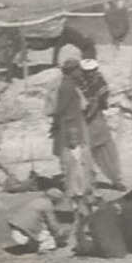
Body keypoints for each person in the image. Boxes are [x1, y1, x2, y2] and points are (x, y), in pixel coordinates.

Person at [75, 57, 125, 189]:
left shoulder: (100, 83)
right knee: (85, 152)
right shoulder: (78, 83)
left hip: (96, 120)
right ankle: (87, 180)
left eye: (92, 70)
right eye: (87, 71)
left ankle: (116, 180)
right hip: (83, 120)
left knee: (106, 151)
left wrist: (91, 109)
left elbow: (100, 102)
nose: (90, 73)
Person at [50, 59, 95, 203]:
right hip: (70, 128)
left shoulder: (69, 84)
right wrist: (56, 125)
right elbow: (61, 109)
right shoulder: (67, 87)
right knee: (73, 160)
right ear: (72, 71)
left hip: (72, 125)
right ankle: (74, 190)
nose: (81, 72)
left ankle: (78, 188)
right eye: (79, 70)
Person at [8, 188, 69, 253]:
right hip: (25, 229)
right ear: (54, 198)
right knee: (46, 233)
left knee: (38, 228)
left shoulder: (37, 201)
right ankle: (44, 248)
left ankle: (30, 245)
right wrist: (59, 232)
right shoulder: (48, 205)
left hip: (15, 226)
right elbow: (52, 223)